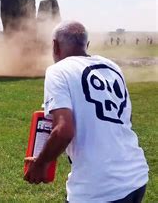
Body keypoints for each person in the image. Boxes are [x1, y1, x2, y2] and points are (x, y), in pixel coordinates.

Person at [24, 21, 149, 202]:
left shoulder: (58, 71)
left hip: (98, 188)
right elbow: (126, 118)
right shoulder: (112, 67)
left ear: (55, 46)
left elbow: (64, 131)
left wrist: (41, 163)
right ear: (87, 45)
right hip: (136, 177)